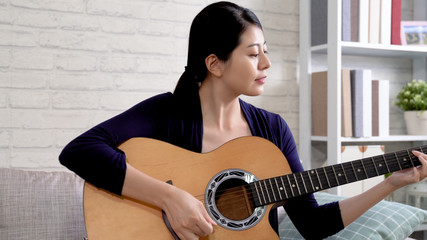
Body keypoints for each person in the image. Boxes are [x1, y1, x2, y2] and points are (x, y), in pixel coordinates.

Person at [59, 1, 427, 239]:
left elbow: (313, 224)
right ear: (214, 63)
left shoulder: (271, 129)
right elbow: (80, 151)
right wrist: (172, 198)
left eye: (265, 52)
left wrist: (389, 184)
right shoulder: (166, 114)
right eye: (253, 54)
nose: (266, 65)